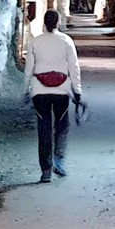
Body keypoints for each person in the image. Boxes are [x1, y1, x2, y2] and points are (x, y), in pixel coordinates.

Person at [24, 9, 82, 183]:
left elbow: (29, 68)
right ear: (57, 22)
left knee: (44, 128)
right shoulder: (66, 41)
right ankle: (58, 159)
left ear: (44, 22)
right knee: (61, 125)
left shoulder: (36, 41)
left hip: (39, 90)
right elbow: (74, 67)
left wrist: (26, 88)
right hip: (61, 90)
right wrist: (77, 91)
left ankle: (46, 170)